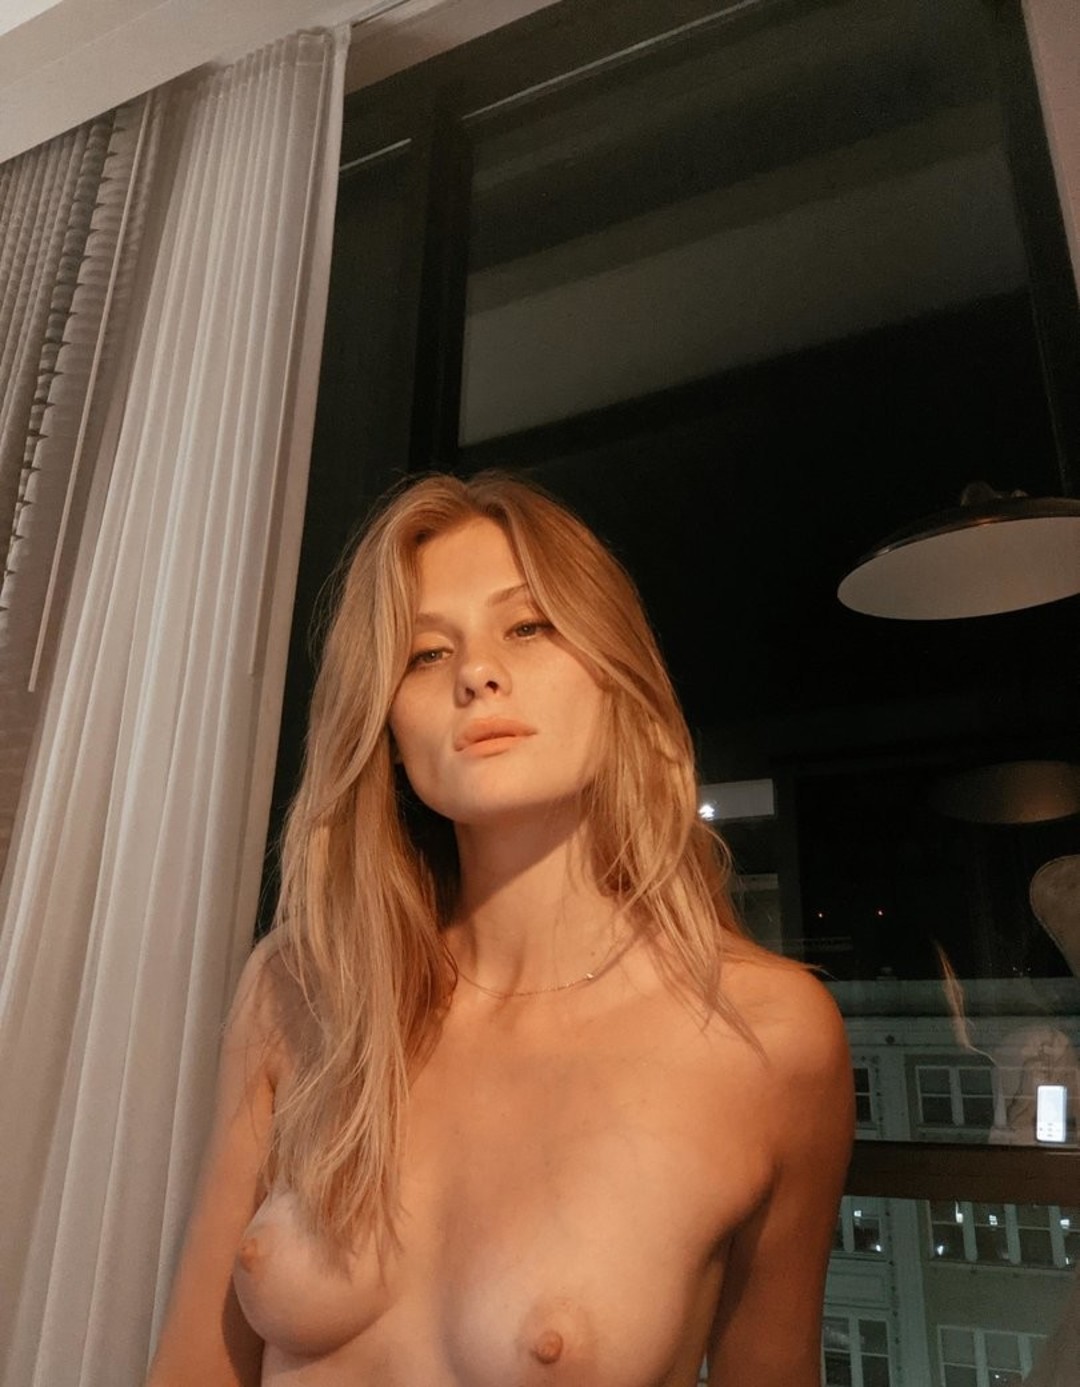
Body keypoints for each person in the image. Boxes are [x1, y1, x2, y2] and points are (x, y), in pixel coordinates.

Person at [147, 471, 854, 1387]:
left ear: (615, 672)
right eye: (425, 652)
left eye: (528, 626)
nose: (476, 673)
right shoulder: (303, 989)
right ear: (385, 723)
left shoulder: (766, 1036)